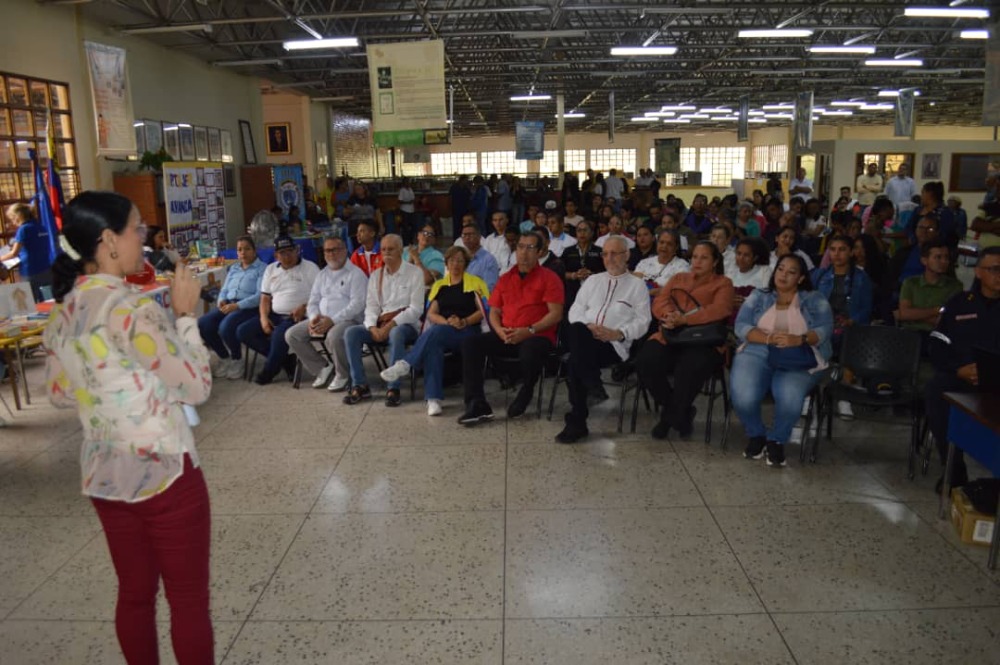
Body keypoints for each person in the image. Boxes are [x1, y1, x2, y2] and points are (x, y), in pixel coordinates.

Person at [43, 190, 215, 663]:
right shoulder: (131, 309)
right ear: (108, 241)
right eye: (136, 228)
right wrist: (185, 316)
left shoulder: (64, 313)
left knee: (135, 595)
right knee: (187, 600)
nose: (143, 237)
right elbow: (196, 387)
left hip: (105, 476)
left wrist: (109, 386)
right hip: (165, 474)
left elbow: (59, 393)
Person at [730, 254, 834, 467]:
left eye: (791, 272)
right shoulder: (759, 295)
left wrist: (800, 339)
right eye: (780, 269)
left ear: (801, 278)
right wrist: (767, 338)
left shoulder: (814, 299)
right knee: (743, 396)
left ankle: (776, 439)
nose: (783, 275)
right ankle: (756, 434)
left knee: (789, 397)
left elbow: (825, 328)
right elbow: (740, 325)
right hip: (758, 348)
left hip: (799, 353)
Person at [457, 230, 564, 425]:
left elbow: (555, 314)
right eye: (521, 247)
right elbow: (494, 311)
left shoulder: (550, 278)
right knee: (470, 343)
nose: (524, 252)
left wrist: (529, 330)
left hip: (536, 335)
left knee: (530, 351)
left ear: (540, 252)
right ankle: (477, 404)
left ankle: (527, 390)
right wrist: (499, 330)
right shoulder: (506, 278)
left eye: (530, 248)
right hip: (506, 333)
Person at [555, 236, 652, 443]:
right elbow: (575, 309)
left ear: (626, 255)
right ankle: (592, 385)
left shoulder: (637, 286)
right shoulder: (593, 280)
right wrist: (589, 327)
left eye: (614, 253)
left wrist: (619, 333)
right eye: (605, 254)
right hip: (585, 337)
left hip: (612, 345)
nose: (609, 258)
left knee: (575, 362)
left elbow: (643, 321)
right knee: (576, 328)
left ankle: (578, 419)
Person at [636, 242, 735, 440]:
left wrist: (686, 319)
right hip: (672, 335)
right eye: (695, 257)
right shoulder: (679, 278)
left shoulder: (723, 283)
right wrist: (670, 315)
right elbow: (660, 301)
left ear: (715, 261)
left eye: (704, 258)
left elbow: (720, 309)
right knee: (646, 361)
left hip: (703, 341)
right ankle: (681, 412)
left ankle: (668, 418)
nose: (697, 261)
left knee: (689, 367)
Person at [380, 246, 490, 415]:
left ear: (466, 264)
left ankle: (407, 363)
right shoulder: (440, 286)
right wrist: (447, 322)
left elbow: (483, 311)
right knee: (434, 345)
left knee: (436, 334)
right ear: (446, 263)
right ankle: (433, 399)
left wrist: (464, 321)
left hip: (469, 331)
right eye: (452, 260)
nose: (455, 264)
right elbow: (431, 314)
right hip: (445, 330)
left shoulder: (476, 282)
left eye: (460, 261)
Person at [924, 246, 1000, 490]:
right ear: (978, 272)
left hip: (996, 382)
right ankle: (954, 470)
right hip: (961, 375)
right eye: (994, 269)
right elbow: (936, 343)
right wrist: (957, 369)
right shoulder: (960, 303)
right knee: (936, 390)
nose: (999, 275)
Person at [342, 234, 424, 407]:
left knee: (396, 333)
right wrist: (372, 327)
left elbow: (416, 310)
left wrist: (391, 325)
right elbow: (371, 306)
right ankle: (360, 385)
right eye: (384, 249)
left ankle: (393, 388)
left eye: (391, 249)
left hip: (406, 325)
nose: (386, 253)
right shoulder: (376, 275)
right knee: (351, 333)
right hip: (380, 324)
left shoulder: (414, 273)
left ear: (400, 251)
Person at [285, 236, 367, 392]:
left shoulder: (356, 274)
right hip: (322, 318)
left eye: (335, 250)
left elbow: (357, 305)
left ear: (345, 250)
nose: (331, 254)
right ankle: (322, 367)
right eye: (327, 251)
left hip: (348, 320)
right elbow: (313, 301)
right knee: (292, 335)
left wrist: (332, 320)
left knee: (334, 336)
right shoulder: (322, 274)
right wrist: (313, 317)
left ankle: (343, 374)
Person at [237, 234, 319, 385]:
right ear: (276, 255)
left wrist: (305, 306)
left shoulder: (310, 268)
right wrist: (263, 318)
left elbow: (322, 295)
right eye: (282, 253)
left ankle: (269, 371)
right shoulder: (270, 269)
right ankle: (286, 360)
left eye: (290, 251)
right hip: (275, 314)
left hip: (299, 316)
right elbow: (265, 298)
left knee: (278, 335)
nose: (287, 256)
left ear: (297, 250)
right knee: (243, 331)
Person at [197, 234, 266, 380]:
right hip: (229, 303)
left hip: (248, 307)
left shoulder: (262, 268)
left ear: (254, 251)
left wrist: (237, 305)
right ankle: (224, 357)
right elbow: (224, 289)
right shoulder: (234, 268)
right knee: (203, 323)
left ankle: (237, 359)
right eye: (239, 249)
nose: (243, 253)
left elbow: (259, 296)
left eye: (247, 249)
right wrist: (221, 300)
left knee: (225, 327)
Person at [897, 238, 963, 339]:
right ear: (924, 260)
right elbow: (905, 314)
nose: (944, 261)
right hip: (908, 334)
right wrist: (936, 310)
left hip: (937, 336)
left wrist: (914, 315)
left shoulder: (955, 286)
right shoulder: (911, 283)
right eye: (938, 257)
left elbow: (946, 321)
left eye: (946, 257)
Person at [2, 203, 53, 301]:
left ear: (18, 216)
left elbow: (14, 253)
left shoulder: (23, 229)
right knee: (48, 299)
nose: (13, 222)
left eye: (13, 218)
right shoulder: (41, 227)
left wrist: (1, 258)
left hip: (30, 271)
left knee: (31, 301)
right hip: (46, 268)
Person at [633, 228, 690, 299]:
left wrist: (652, 292)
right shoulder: (644, 263)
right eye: (661, 242)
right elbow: (634, 284)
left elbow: (679, 292)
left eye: (669, 244)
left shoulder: (682, 266)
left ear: (676, 247)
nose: (664, 246)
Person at [562, 219, 605, 305]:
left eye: (585, 230)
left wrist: (592, 275)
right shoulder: (568, 251)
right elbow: (560, 272)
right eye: (579, 230)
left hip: (595, 291)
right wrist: (573, 275)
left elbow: (606, 271)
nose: (582, 233)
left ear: (592, 233)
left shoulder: (599, 251)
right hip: (572, 292)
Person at [458, 222, 500, 291]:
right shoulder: (460, 258)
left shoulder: (488, 260)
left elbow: (489, 288)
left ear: (479, 237)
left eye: (470, 234)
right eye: (464, 235)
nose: (467, 237)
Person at [449, 175, 471, 240]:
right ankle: (456, 239)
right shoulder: (454, 187)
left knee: (464, 224)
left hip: (465, 209)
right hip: (456, 208)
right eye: (466, 180)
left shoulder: (466, 188)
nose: (466, 182)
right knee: (456, 225)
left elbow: (469, 197)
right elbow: (450, 198)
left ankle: (463, 237)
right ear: (462, 180)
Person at [397, 177, 416, 245]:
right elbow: (400, 201)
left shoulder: (410, 189)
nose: (408, 183)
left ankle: (411, 240)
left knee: (412, 227)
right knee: (405, 227)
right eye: (407, 182)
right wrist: (407, 202)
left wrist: (412, 202)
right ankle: (405, 242)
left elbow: (413, 198)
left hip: (411, 210)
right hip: (404, 210)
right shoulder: (402, 190)